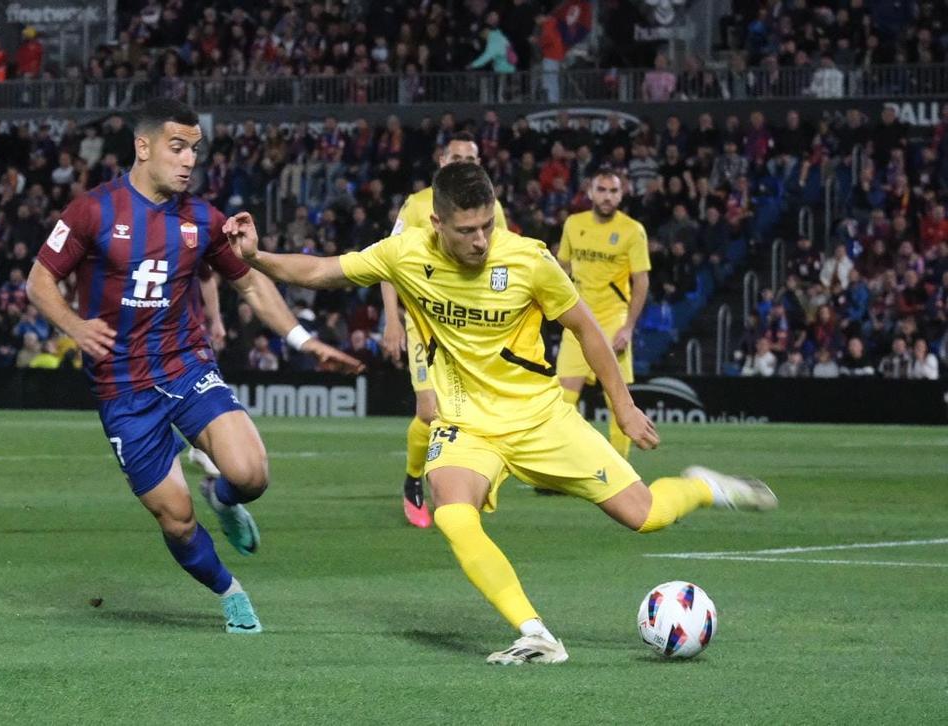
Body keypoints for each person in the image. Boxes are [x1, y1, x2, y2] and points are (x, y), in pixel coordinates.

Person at [225, 162, 777, 664]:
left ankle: (703, 487)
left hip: (541, 418)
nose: (481, 239)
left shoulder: (529, 259)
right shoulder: (405, 253)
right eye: (467, 230)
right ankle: (535, 633)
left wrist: (624, 406)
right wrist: (254, 257)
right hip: (467, 424)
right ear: (437, 222)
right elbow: (323, 270)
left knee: (646, 515)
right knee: (451, 510)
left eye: (487, 224)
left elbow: (587, 329)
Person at [26, 99, 362, 635]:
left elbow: (249, 282)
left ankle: (223, 497)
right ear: (143, 147)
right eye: (177, 147)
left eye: (194, 150)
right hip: (123, 388)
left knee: (251, 475)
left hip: (186, 367)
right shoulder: (93, 210)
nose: (188, 161)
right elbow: (39, 281)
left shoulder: (202, 219)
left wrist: (304, 339)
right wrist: (75, 325)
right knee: (176, 519)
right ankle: (230, 592)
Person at [382, 132, 509, 528]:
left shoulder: (492, 209)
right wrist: (391, 320)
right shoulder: (419, 205)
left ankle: (472, 477)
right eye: (456, 157)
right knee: (429, 409)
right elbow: (386, 263)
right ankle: (412, 481)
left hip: (473, 328)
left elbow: (506, 265)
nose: (463, 164)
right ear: (441, 160)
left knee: (478, 410)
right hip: (426, 324)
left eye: (471, 158)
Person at [555, 169, 649, 458]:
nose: (607, 197)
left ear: (622, 194)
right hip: (576, 318)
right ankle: (560, 466)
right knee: (563, 399)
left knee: (616, 399)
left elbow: (641, 281)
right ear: (590, 192)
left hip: (612, 320)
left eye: (613, 191)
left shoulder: (632, 230)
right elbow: (562, 269)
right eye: (602, 190)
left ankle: (619, 470)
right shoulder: (573, 224)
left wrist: (629, 327)